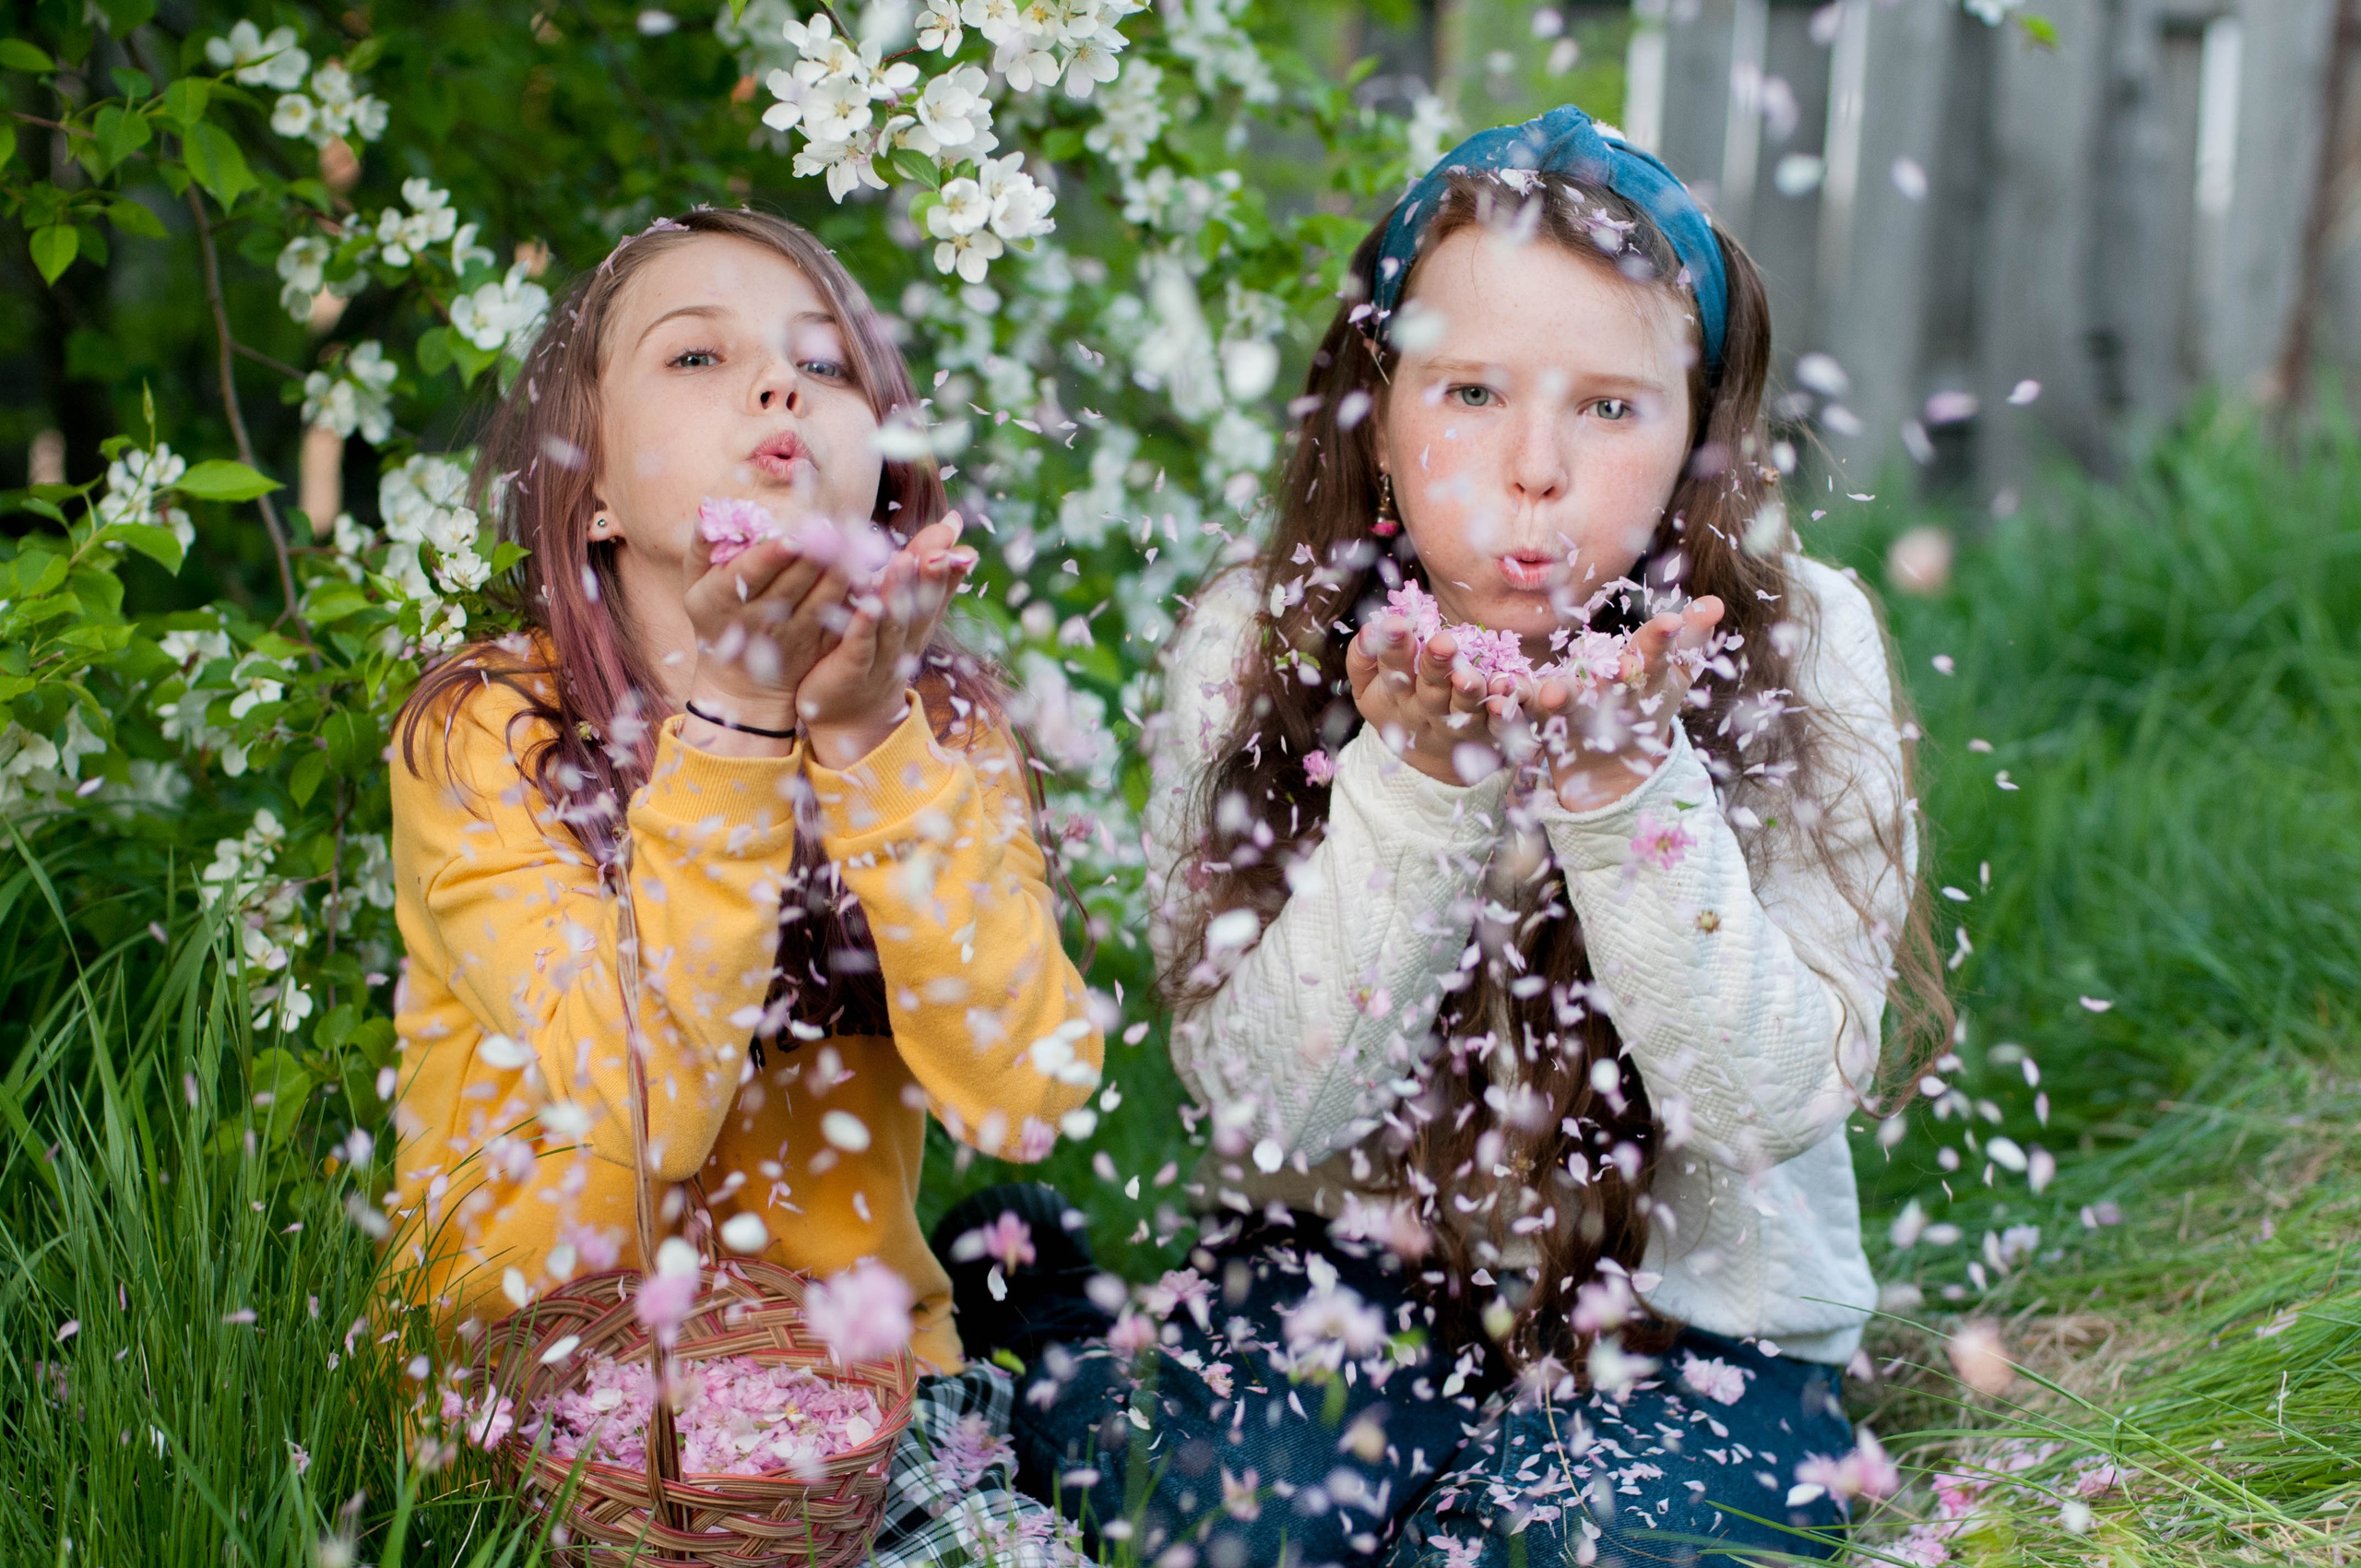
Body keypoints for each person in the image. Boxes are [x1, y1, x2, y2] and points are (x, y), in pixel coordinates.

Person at [943, 105, 1949, 1567]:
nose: (1531, 469)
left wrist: (1623, 790)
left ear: (1698, 443)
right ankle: (1058, 1336)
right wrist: (1416, 780)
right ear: (1374, 399)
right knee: (1232, 1530)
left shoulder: (1799, 636)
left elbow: (1760, 1105)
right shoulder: (1257, 633)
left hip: (1697, 1329)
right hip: (1331, 1280)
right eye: (1470, 392)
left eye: (1611, 407)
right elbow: (1269, 1115)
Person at [386, 208, 1101, 1564]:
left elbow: (1030, 1092)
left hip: (865, 1403)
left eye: (824, 366)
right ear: (587, 485)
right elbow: (634, 1105)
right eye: (696, 359)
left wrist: (870, 735)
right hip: (536, 1409)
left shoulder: (930, 729)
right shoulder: (489, 734)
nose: (777, 387)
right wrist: (732, 723)